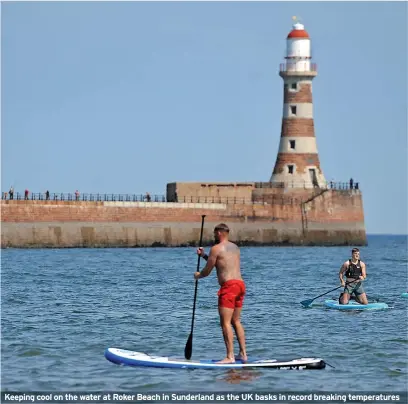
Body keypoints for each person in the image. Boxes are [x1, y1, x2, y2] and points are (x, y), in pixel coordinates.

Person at [194, 223, 247, 364]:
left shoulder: (216, 248)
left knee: (225, 323)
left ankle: (230, 357)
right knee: (236, 321)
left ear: (219, 233)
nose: (213, 236)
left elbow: (207, 270)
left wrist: (198, 275)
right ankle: (243, 354)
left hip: (229, 287)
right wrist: (204, 255)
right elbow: (221, 263)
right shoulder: (235, 248)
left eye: (214, 233)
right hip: (240, 285)